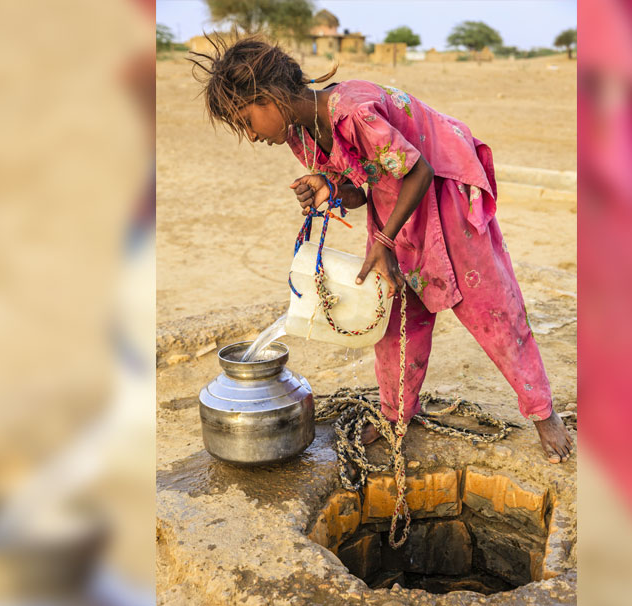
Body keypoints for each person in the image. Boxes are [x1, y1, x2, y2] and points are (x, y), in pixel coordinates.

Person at [190, 35, 572, 463]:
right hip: (395, 208)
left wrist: (384, 241)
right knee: (396, 320)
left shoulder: (354, 111)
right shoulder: (303, 136)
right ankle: (394, 416)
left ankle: (543, 414)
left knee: (492, 310)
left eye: (246, 120)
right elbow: (361, 187)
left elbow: (419, 171)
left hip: (444, 197)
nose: (251, 135)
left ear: (268, 98)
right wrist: (330, 187)